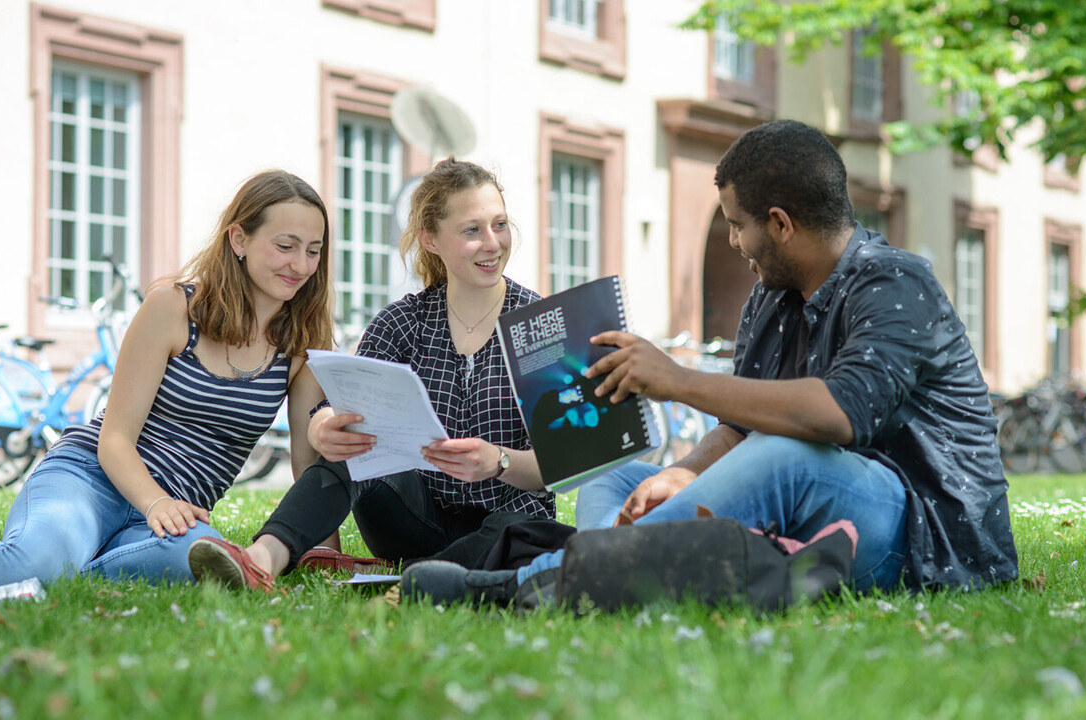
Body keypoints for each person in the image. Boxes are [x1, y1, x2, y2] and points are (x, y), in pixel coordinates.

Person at [402, 119, 1019, 605]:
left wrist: (677, 380)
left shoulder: (896, 283)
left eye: (737, 225)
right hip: (807, 526)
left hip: (921, 536)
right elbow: (739, 427)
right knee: (615, 476)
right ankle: (621, 573)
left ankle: (531, 586)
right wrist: (685, 472)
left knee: (785, 456)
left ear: (779, 224)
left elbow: (838, 415)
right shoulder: (771, 299)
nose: (732, 242)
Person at [187, 158, 555, 591]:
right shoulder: (400, 323)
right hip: (409, 518)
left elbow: (561, 464)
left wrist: (498, 462)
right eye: (472, 230)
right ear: (431, 240)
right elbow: (334, 406)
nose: (492, 243)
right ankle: (261, 560)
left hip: (507, 520)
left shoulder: (541, 324)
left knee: (518, 532)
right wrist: (325, 427)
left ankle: (417, 579)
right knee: (358, 450)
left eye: (500, 225)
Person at [0, 170, 334, 588]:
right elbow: (114, 438)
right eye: (286, 246)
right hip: (92, 480)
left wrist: (323, 552)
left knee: (212, 564)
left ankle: (74, 566)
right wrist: (155, 502)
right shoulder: (172, 307)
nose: (301, 265)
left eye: (313, 251)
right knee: (33, 563)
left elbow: (307, 460)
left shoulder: (302, 345)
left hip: (177, 514)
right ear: (239, 239)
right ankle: (58, 562)